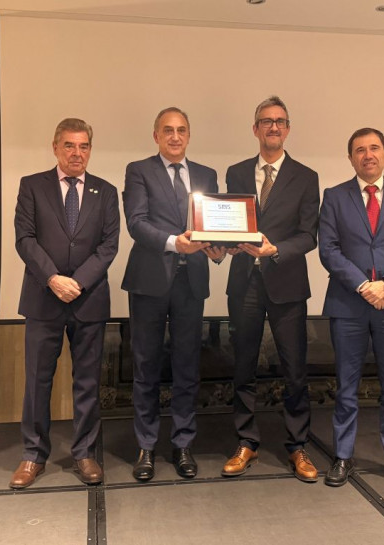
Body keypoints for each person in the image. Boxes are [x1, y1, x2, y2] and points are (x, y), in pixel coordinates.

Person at [9, 118, 120, 489]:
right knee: (37, 382)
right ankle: (33, 455)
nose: (77, 153)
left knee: (87, 382)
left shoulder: (106, 192)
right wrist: (53, 278)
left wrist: (79, 281)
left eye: (84, 146)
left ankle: (85, 453)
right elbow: (25, 239)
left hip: (89, 300)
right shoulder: (32, 186)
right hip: (44, 297)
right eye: (69, 145)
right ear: (55, 147)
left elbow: (109, 246)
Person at [319, 127, 384, 490]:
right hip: (348, 304)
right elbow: (328, 249)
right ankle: (343, 455)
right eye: (360, 150)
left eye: (374, 148)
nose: (368, 155)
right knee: (346, 386)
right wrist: (364, 285)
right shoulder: (334, 196)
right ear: (350, 158)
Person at [122, 107, 224, 481]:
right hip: (149, 280)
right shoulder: (139, 170)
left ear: (189, 135)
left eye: (181, 130)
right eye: (168, 130)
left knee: (187, 366)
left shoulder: (207, 175)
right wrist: (173, 243)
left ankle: (183, 443)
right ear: (156, 136)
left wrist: (219, 247)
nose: (175, 136)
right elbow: (136, 223)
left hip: (191, 282)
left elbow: (214, 225)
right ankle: (146, 446)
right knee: (146, 365)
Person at [221, 96, 321, 482]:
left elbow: (308, 235)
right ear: (255, 129)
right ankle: (246, 442)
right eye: (266, 121)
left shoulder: (306, 177)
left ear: (288, 129)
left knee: (295, 370)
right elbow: (230, 223)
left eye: (280, 121)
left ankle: (297, 446)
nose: (273, 127)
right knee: (243, 366)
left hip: (287, 283)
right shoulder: (236, 172)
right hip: (244, 282)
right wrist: (223, 244)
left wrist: (275, 249)